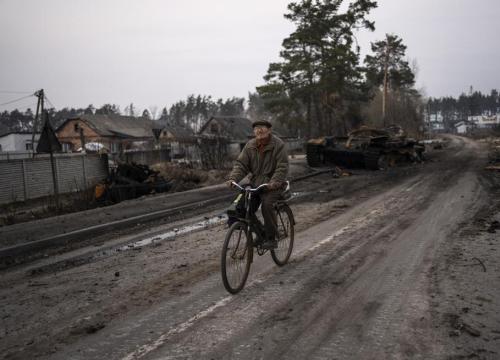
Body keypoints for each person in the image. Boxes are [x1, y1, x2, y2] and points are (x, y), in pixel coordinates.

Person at [226, 119, 289, 249]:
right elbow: (241, 165)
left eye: (262, 127)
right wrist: (233, 179)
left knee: (267, 205)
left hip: (273, 185)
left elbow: (282, 166)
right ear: (254, 131)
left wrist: (275, 182)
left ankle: (271, 238)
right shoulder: (250, 145)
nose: (259, 130)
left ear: (269, 130)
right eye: (256, 128)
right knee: (242, 207)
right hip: (256, 184)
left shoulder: (278, 144)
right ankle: (261, 234)